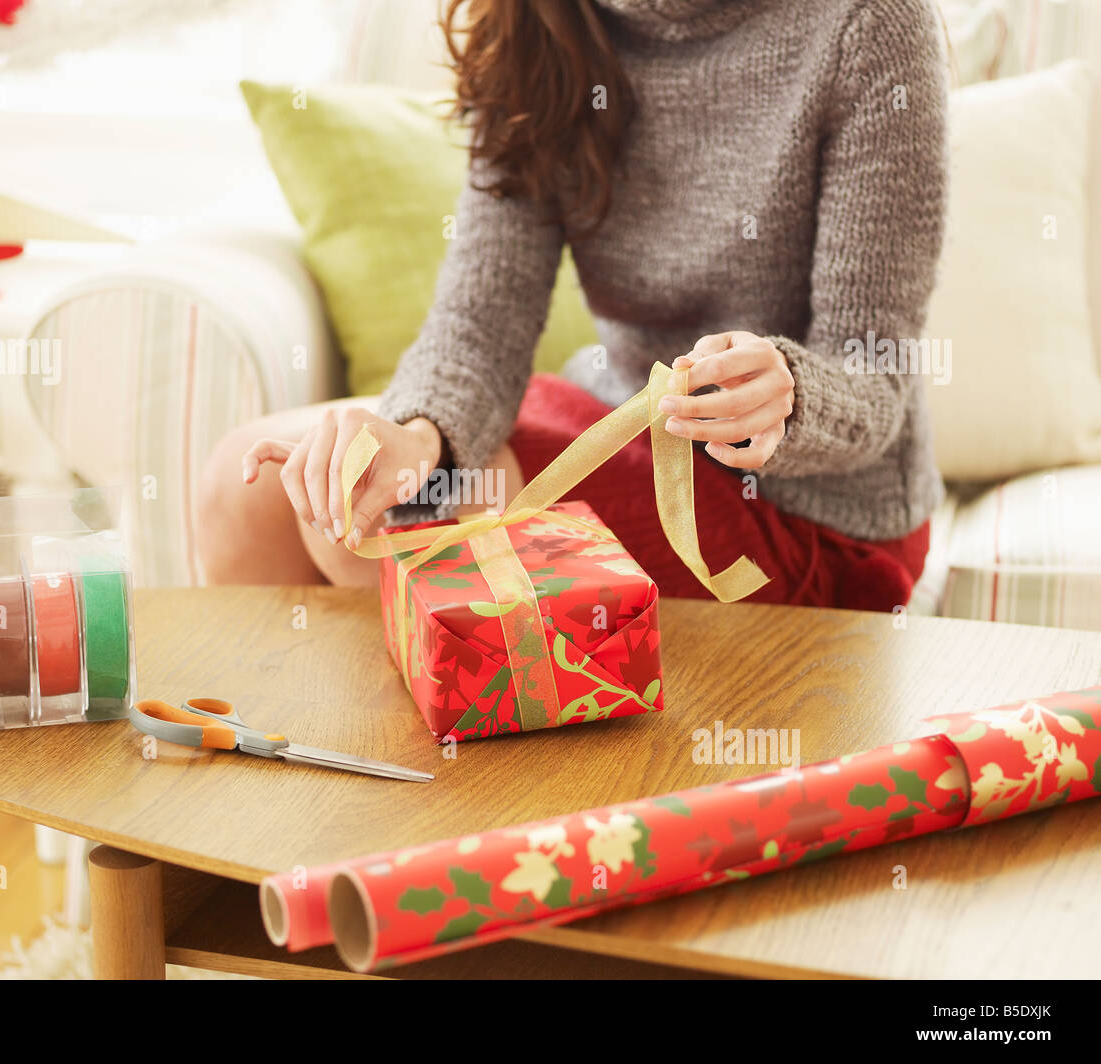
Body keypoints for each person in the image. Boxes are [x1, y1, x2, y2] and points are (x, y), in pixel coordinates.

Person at [199, 0, 948, 612]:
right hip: (620, 424)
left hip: (815, 508)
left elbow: (873, 376)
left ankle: (464, 787)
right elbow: (477, 328)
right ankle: (320, 781)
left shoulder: (869, 23)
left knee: (379, 527)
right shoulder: (541, 21)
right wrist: (415, 437)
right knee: (263, 486)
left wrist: (790, 396)